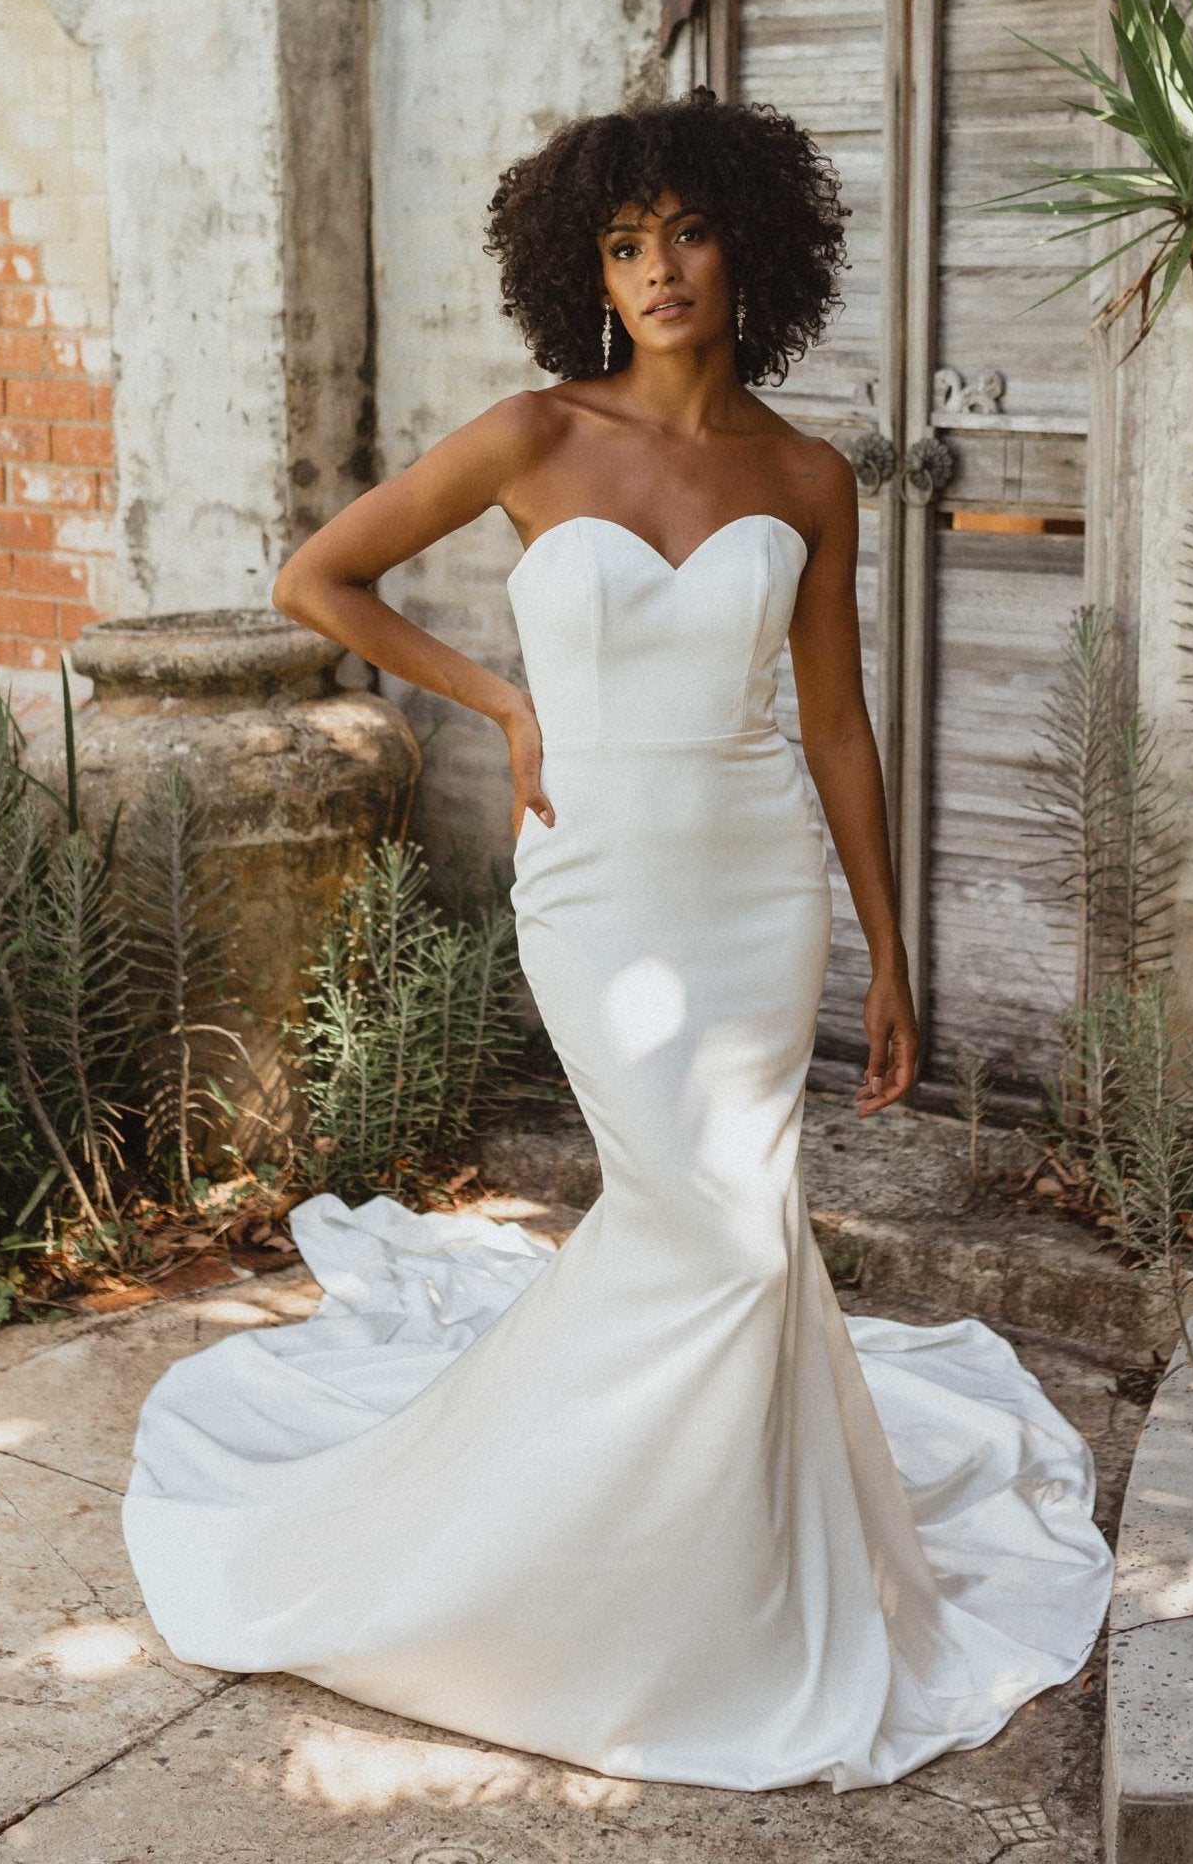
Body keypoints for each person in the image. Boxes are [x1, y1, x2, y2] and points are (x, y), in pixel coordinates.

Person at [121, 89, 1114, 1793]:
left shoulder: (803, 475)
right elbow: (320, 581)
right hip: (595, 889)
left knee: (730, 1236)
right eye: (623, 243)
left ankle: (716, 1576)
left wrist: (887, 950)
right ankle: (582, 1587)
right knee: (710, 1235)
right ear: (586, 265)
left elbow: (839, 728)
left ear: (751, 245)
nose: (658, 269)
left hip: (748, 892)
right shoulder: (531, 434)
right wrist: (498, 699)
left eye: (688, 232)